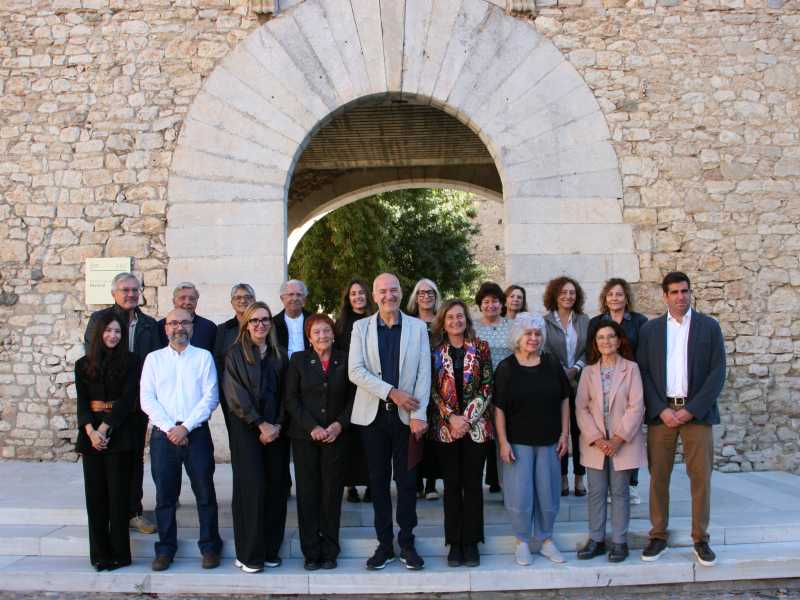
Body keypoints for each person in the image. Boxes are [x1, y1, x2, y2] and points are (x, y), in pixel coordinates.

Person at [637, 272, 726, 567]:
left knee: (700, 478)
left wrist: (693, 409)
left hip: (696, 414)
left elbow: (717, 373)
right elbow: (644, 373)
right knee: (658, 477)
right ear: (665, 296)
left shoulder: (709, 327)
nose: (680, 297)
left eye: (684, 291)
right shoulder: (650, 331)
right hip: (662, 414)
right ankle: (658, 535)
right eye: (674, 292)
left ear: (690, 293)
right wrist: (660, 408)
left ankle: (701, 538)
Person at [348, 273, 431, 571]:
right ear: (374, 295)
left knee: (408, 483)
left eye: (393, 290)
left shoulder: (418, 327)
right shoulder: (360, 328)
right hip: (372, 419)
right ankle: (384, 545)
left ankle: (407, 543)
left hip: (408, 420)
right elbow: (355, 371)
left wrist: (419, 416)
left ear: (401, 292)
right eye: (382, 291)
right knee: (379, 483)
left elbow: (424, 373)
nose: (388, 296)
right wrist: (392, 393)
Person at [140, 308, 222, 572]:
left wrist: (185, 427)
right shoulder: (153, 359)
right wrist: (169, 428)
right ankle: (165, 550)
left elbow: (210, 397)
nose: (179, 327)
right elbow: (147, 399)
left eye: (184, 322)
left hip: (196, 434)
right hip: (163, 437)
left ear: (192, 326)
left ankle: (209, 547)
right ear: (165, 328)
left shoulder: (203, 357)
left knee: (205, 493)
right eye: (173, 323)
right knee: (165, 497)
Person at [84, 271, 160, 535]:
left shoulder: (150, 325)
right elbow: (91, 361)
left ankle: (133, 511)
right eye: (125, 290)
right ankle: (109, 512)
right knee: (105, 459)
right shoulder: (99, 320)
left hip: (136, 405)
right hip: (106, 405)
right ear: (114, 293)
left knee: (134, 459)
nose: (130, 295)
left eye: (134, 290)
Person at [494, 313, 569, 566]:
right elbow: (499, 408)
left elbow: (564, 399)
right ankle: (522, 541)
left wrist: (565, 435)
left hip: (549, 440)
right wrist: (503, 442)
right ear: (518, 336)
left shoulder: (551, 363)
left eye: (537, 334)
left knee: (548, 493)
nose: (533, 338)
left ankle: (547, 540)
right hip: (517, 442)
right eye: (528, 334)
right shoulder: (506, 367)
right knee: (520, 494)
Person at [223, 301, 290, 573]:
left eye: (264, 320)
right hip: (247, 429)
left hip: (277, 430)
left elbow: (289, 394)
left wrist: (277, 425)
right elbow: (234, 395)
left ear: (271, 324)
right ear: (246, 324)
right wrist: (260, 424)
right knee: (251, 490)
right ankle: (250, 554)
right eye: (254, 320)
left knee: (276, 488)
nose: (260, 324)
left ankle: (271, 550)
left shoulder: (280, 355)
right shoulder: (235, 354)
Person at [429, 299, 493, 568]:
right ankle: (454, 543)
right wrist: (451, 418)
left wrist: (465, 419)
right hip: (446, 429)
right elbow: (431, 389)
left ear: (466, 319)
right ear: (443, 322)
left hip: (475, 428)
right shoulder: (434, 351)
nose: (456, 321)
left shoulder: (480, 348)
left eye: (460, 316)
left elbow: (487, 386)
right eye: (450, 317)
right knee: (452, 486)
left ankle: (472, 542)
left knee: (473, 486)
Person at [575, 321, 646, 563]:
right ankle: (596, 539)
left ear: (619, 340)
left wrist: (617, 439)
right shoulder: (587, 372)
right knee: (595, 491)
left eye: (611, 336)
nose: (606, 341)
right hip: (595, 444)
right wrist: (597, 439)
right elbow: (581, 407)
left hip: (621, 443)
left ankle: (619, 541)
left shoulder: (632, 369)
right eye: (601, 338)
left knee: (619, 492)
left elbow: (636, 406)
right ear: (595, 343)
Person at [286, 314, 352, 570]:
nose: (322, 336)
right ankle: (311, 551)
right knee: (308, 494)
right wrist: (312, 427)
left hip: (336, 437)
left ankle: (330, 550)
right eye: (317, 332)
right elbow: (291, 399)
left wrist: (338, 425)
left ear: (333, 334)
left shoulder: (345, 359)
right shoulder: (298, 360)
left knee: (331, 493)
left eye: (326, 331)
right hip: (305, 438)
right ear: (309, 337)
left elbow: (353, 399)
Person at [75, 313, 138, 571]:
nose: (113, 336)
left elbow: (127, 400)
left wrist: (104, 427)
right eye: (108, 331)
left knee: (117, 496)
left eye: (118, 332)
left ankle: (120, 554)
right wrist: (90, 430)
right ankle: (99, 554)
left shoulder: (133, 362)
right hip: (91, 437)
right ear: (99, 333)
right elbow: (81, 400)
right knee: (96, 497)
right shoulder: (83, 364)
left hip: (119, 434)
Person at [587, 278, 649, 504]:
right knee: (605, 428)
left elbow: (644, 351)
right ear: (605, 298)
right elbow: (590, 352)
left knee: (629, 432)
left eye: (619, 294)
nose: (615, 298)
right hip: (603, 377)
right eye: (611, 294)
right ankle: (607, 482)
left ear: (626, 298)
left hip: (630, 379)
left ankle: (630, 484)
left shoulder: (639, 321)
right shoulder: (596, 322)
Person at [543, 276, 589, 497]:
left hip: (580, 383)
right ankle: (562, 477)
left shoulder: (583, 320)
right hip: (555, 382)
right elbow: (544, 351)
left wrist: (577, 368)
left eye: (572, 292)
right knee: (560, 431)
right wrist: (562, 370)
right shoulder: (544, 322)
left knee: (580, 432)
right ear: (554, 295)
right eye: (563, 292)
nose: (568, 296)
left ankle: (579, 477)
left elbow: (590, 349)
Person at [334, 279, 375, 504]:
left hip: (372, 387)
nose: (357, 296)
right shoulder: (340, 325)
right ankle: (349, 485)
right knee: (349, 439)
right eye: (353, 294)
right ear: (347, 298)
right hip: (348, 388)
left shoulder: (376, 320)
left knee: (370, 439)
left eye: (361, 293)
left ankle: (371, 483)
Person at [473, 281, 512, 494]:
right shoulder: (473, 328)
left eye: (495, 301)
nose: (491, 305)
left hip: (508, 388)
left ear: (501, 303)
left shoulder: (512, 326)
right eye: (486, 302)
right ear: (480, 305)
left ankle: (507, 485)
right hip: (480, 391)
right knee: (480, 438)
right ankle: (475, 485)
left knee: (504, 437)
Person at [407, 278, 443, 501]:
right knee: (414, 434)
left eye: (430, 293)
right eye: (421, 293)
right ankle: (416, 481)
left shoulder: (442, 321)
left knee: (433, 434)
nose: (426, 296)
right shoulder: (409, 321)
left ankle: (431, 483)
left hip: (439, 383)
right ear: (415, 297)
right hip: (414, 383)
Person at [214, 283, 257, 432]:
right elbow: (218, 362)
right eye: (237, 297)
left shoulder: (264, 325)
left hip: (259, 394)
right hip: (232, 397)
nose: (242, 301)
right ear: (231, 302)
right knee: (237, 439)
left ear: (254, 299)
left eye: (247, 297)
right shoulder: (223, 329)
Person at [157, 282, 217, 352]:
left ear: (196, 302)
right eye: (182, 298)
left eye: (192, 299)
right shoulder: (160, 327)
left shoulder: (209, 327)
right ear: (173, 301)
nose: (187, 302)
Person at [274, 279, 311, 358]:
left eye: (299, 294)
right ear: (282, 298)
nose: (295, 298)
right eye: (290, 294)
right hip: (282, 368)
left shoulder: (313, 321)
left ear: (304, 299)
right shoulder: (273, 323)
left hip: (308, 368)